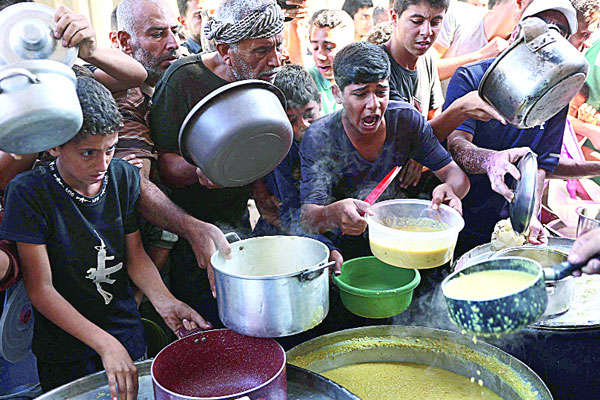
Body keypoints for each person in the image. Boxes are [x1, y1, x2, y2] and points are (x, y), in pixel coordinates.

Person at [0, 76, 210, 399]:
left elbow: (135, 256)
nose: (102, 164)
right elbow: (41, 290)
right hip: (66, 352)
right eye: (87, 153)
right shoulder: (29, 193)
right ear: (55, 144)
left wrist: (165, 300)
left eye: (110, 149)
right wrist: (104, 343)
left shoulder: (122, 176)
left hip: (126, 333)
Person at [149, 0, 289, 322]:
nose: (275, 61)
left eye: (277, 46)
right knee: (206, 319)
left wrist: (260, 192)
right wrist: (203, 171)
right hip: (187, 232)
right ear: (226, 50)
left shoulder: (261, 77)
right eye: (262, 50)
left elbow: (256, 145)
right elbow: (166, 165)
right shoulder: (183, 80)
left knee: (248, 314)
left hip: (236, 220)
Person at [300, 41, 469, 265]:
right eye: (360, 94)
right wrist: (334, 213)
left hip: (405, 245)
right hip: (345, 255)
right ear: (337, 94)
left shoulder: (405, 120)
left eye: (381, 92)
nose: (374, 104)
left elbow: (456, 176)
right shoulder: (319, 137)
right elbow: (308, 217)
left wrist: (450, 189)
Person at [444, 0, 579, 256]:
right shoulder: (473, 78)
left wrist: (530, 214)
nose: (547, 37)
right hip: (461, 211)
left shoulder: (558, 96)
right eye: (539, 26)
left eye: (558, 31)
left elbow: (541, 166)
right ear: (517, 31)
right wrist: (490, 161)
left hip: (510, 225)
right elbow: (456, 145)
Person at [252, 64, 344, 270]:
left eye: (309, 114)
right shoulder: (279, 150)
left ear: (320, 101)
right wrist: (326, 248)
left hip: (329, 233)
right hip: (285, 240)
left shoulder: (338, 133)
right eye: (291, 119)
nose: (303, 126)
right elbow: (288, 212)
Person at [433, 0, 532, 91]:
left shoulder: (518, 51)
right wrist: (480, 56)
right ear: (520, 3)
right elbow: (423, 70)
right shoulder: (456, 14)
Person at [308, 9, 355, 115]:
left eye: (328, 48)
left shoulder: (362, 80)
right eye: (315, 47)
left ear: (350, 48)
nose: (320, 56)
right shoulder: (309, 79)